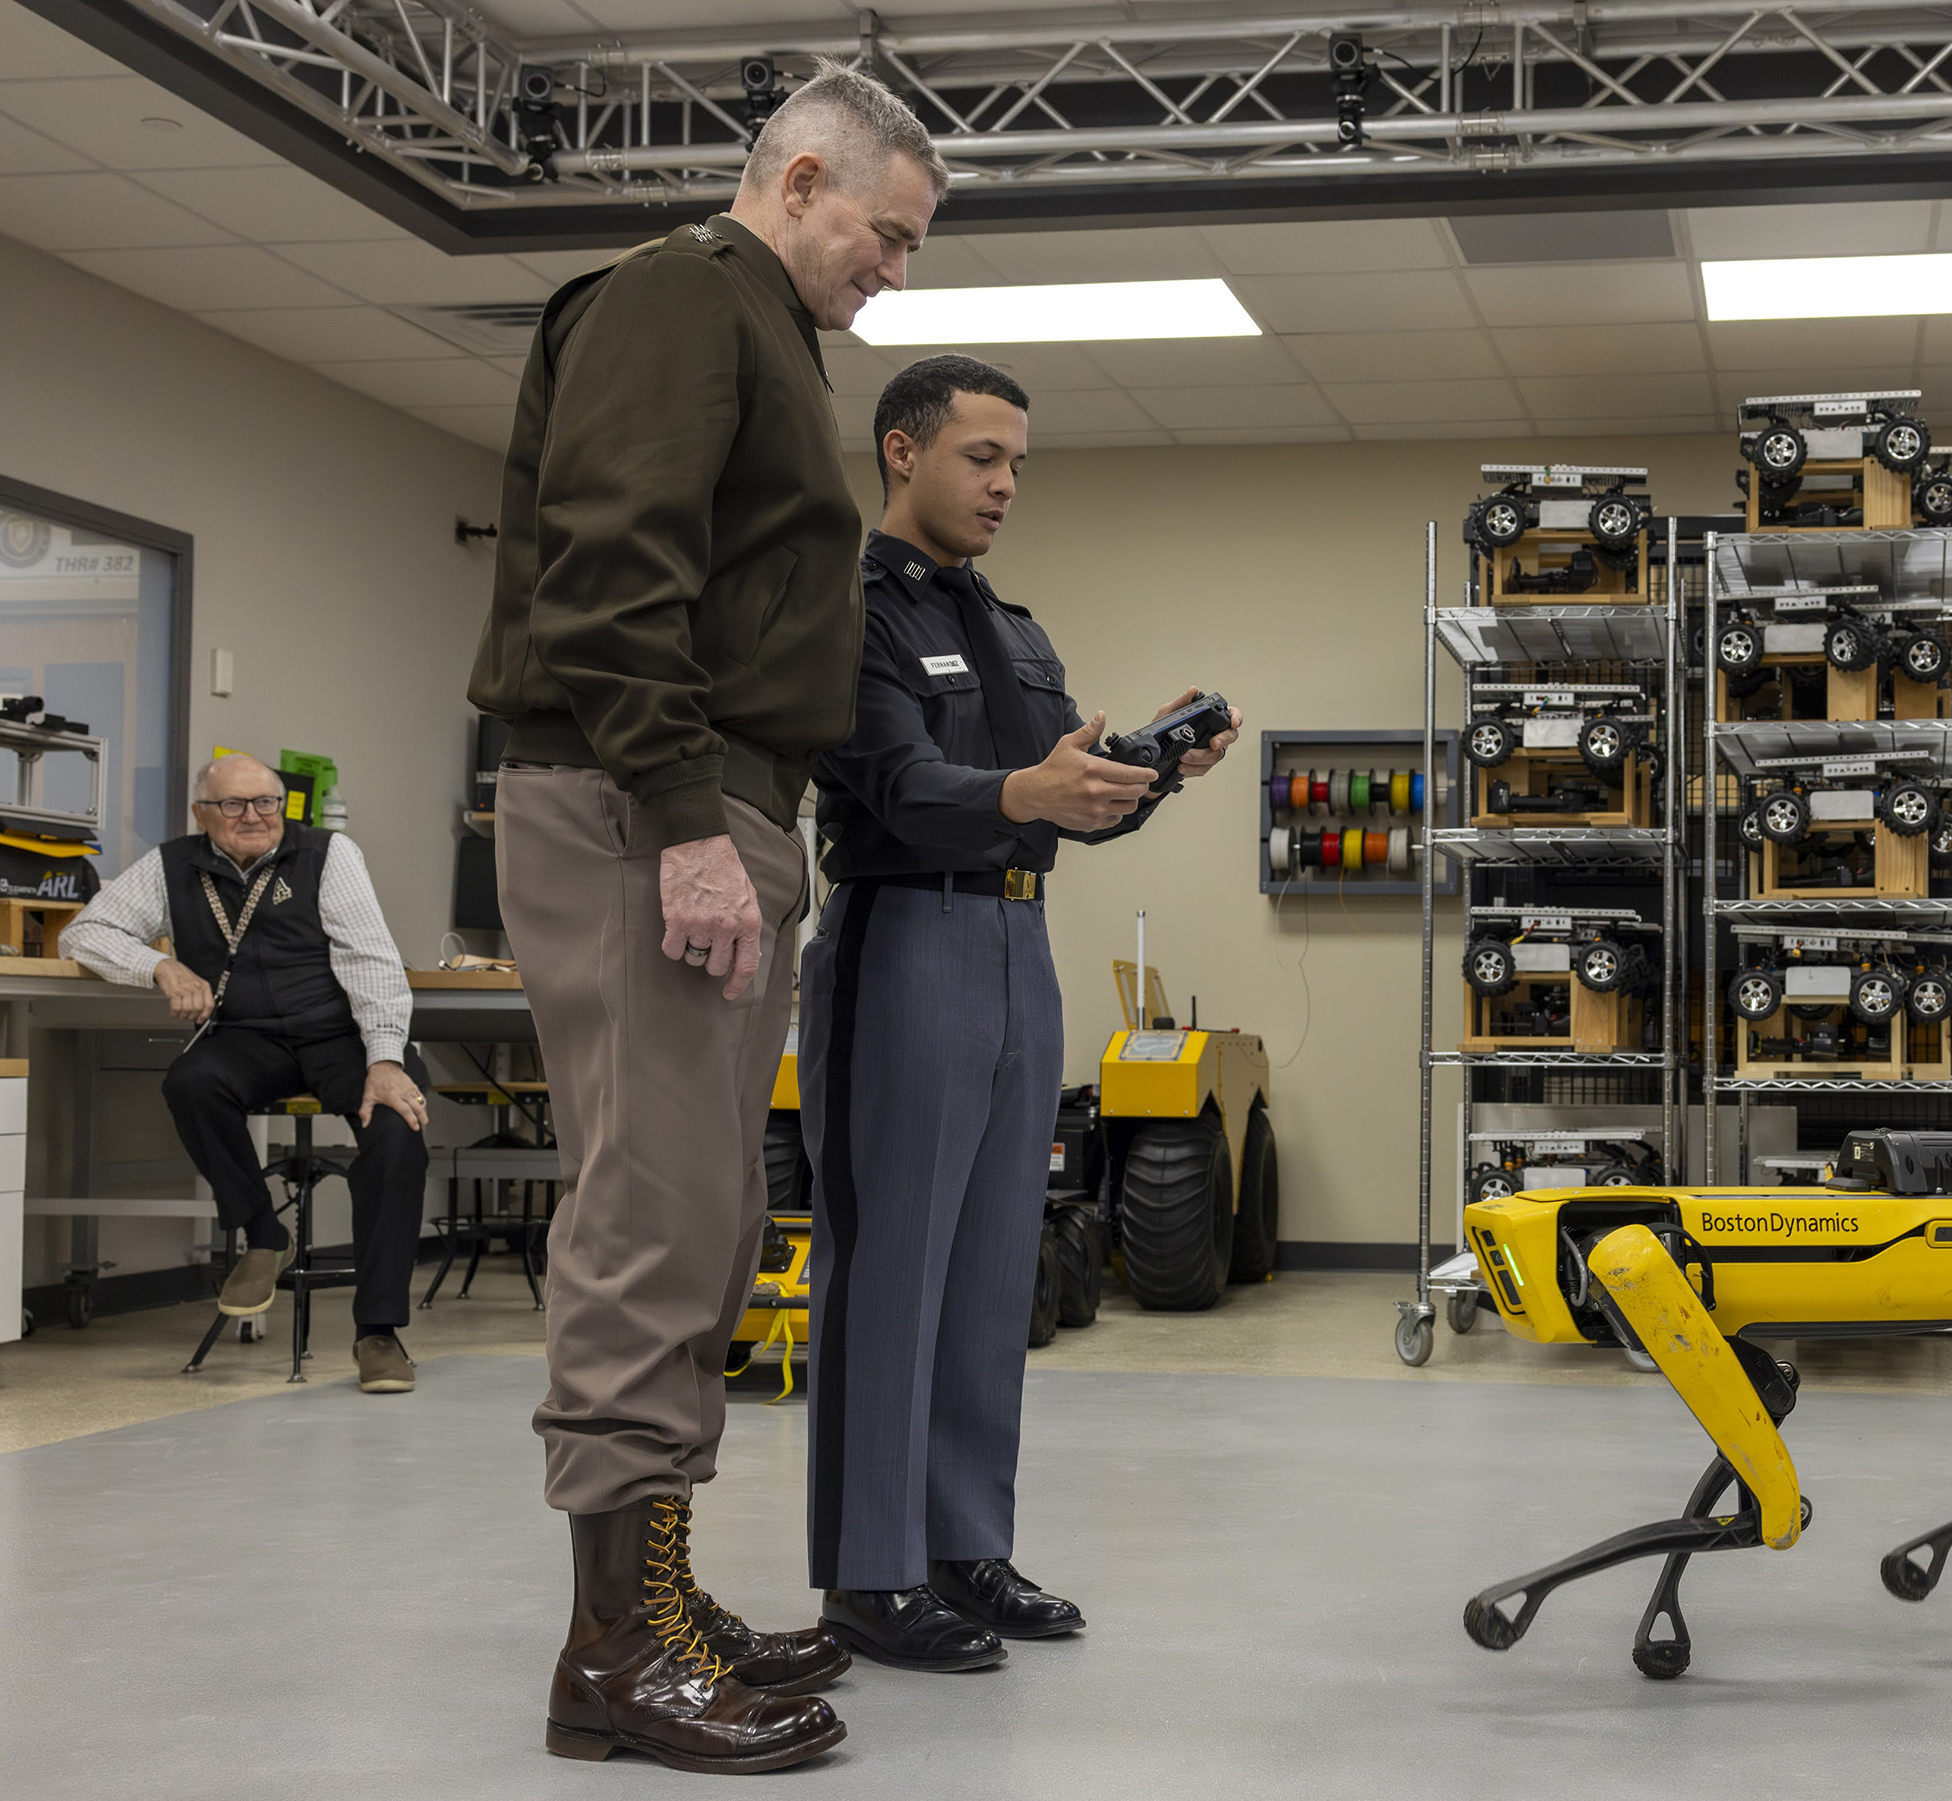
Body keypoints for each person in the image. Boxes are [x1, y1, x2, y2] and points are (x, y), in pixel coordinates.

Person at [466, 60, 947, 1775]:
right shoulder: (680, 297)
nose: (895, 268)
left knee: (709, 1211)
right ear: (800, 178)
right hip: (643, 802)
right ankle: (610, 1652)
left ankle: (658, 1598)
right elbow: (610, 574)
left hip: (712, 799)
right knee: (653, 1214)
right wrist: (682, 824)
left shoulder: (763, 332)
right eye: (886, 232)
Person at [800, 355, 1242, 1670]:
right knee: (890, 1268)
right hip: (903, 935)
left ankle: (963, 1550)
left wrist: (1151, 774)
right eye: (981, 457)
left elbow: (1063, 809)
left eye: (1017, 466)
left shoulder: (1013, 628)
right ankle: (869, 1577)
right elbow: (895, 780)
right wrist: (1025, 793)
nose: (1003, 485)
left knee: (995, 1266)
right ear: (902, 451)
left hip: (1016, 939)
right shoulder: (852, 610)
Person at [60, 753, 429, 1394]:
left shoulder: (328, 854)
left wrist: (385, 1060)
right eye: (233, 804)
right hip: (249, 1036)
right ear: (202, 814)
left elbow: (370, 959)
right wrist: (159, 966)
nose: (253, 816)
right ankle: (262, 1231)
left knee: (397, 1131)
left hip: (339, 1032)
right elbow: (84, 932)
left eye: (266, 802)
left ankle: (378, 1332)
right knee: (190, 1082)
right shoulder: (172, 865)